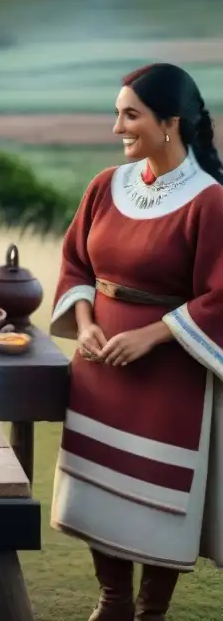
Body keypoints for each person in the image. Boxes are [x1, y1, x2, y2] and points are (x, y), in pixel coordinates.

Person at [49, 62, 223, 620]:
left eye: (130, 115)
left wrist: (151, 336)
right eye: (117, 113)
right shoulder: (107, 185)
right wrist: (85, 323)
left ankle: (151, 613)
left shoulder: (210, 201)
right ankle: (113, 601)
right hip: (100, 371)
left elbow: (220, 295)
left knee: (156, 498)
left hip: (170, 379)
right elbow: (75, 262)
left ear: (170, 123)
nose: (117, 127)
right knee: (101, 491)